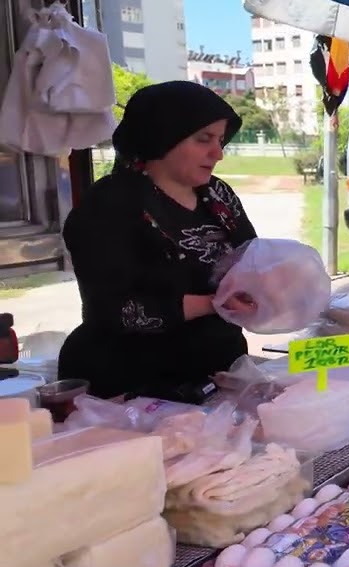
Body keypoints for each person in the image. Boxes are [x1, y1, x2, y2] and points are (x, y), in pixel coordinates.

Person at [58, 81, 258, 400]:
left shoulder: (217, 194)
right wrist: (214, 303)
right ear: (163, 136)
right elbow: (113, 309)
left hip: (215, 372)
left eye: (221, 140)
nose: (218, 153)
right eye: (203, 139)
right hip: (128, 386)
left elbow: (252, 258)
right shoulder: (109, 205)